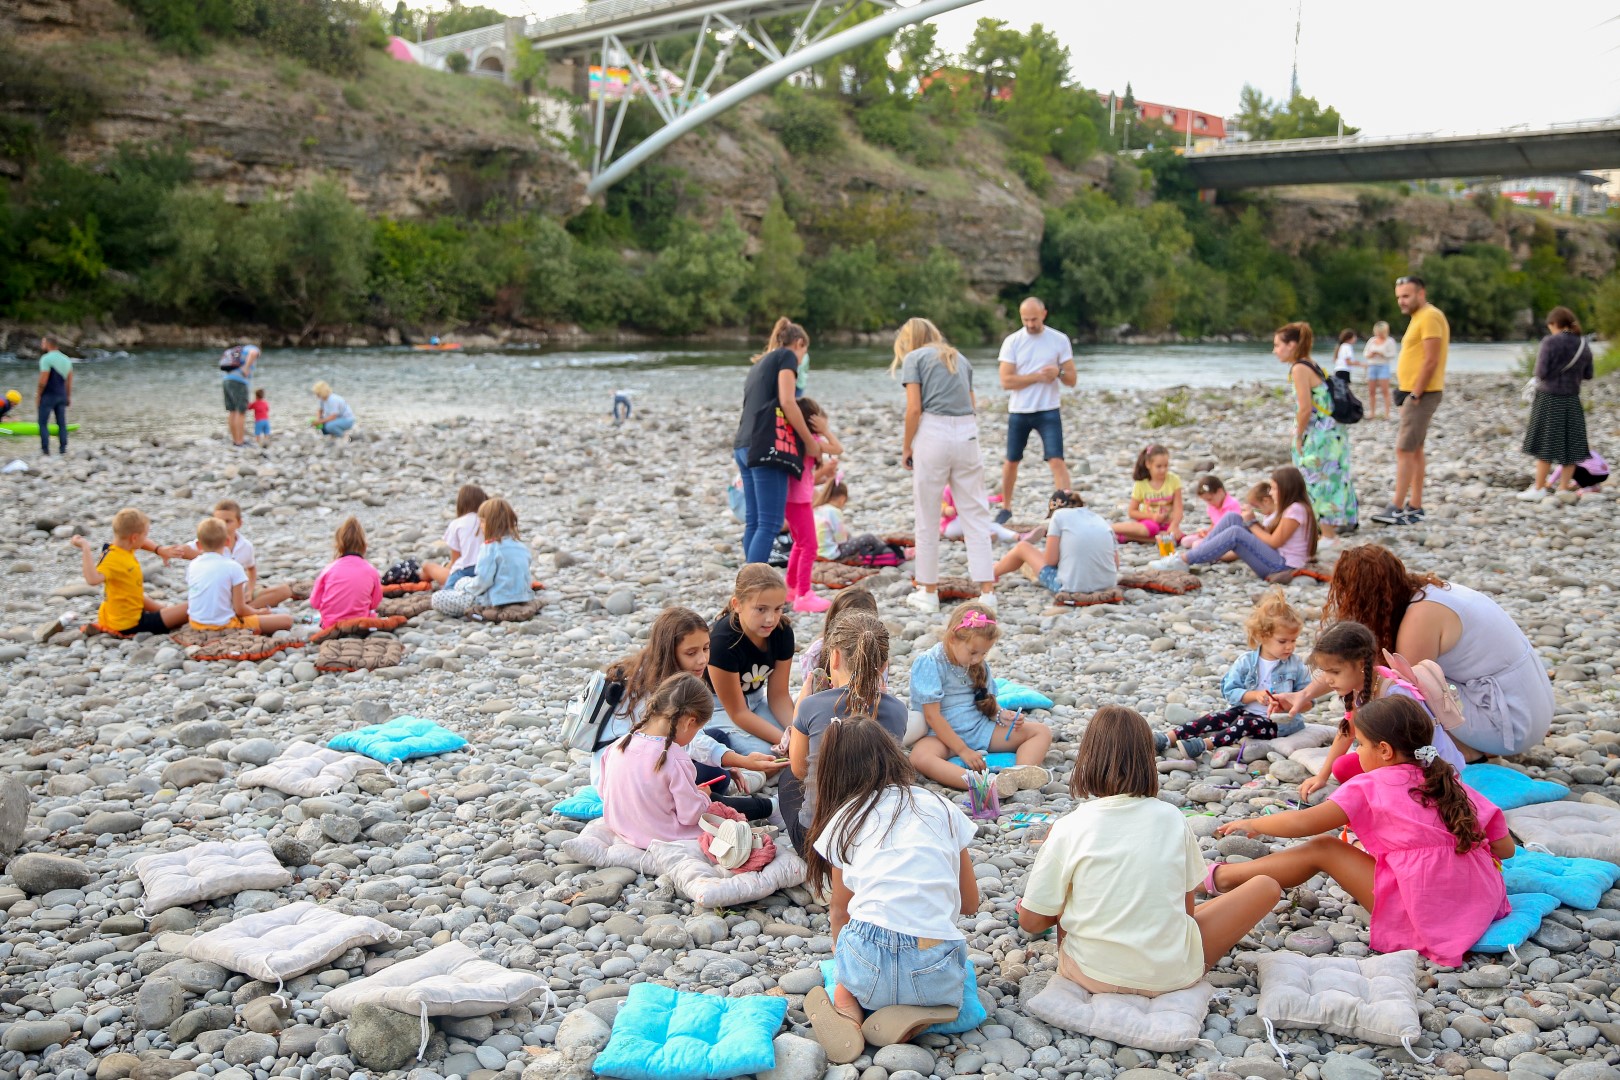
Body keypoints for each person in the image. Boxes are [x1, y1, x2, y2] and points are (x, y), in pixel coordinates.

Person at [1213, 696, 1513, 969]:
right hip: (1481, 899)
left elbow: (1304, 823)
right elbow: (1505, 849)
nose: (1356, 753)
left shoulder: (1369, 785)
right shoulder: (1450, 781)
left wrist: (1255, 824)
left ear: (1384, 750)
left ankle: (1221, 877)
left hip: (1421, 908)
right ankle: (1223, 878)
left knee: (1323, 848)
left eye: (1360, 745)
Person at [1018, 705, 1280, 997]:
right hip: (1170, 977)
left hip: (1088, 975)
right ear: (1148, 760)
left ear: (1086, 759)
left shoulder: (1069, 827)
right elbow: (1185, 911)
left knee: (1064, 892)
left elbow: (1031, 922)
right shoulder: (1172, 818)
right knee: (1266, 886)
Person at [801, 719, 978, 1064]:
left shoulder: (844, 819)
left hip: (869, 959)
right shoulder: (941, 807)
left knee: (847, 969)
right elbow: (970, 903)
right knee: (946, 960)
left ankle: (848, 1007)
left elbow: (841, 912)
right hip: (932, 960)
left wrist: (844, 960)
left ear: (833, 775)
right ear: (894, 755)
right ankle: (915, 1017)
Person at [1275, 544, 1554, 759]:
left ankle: (1467, 751)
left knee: (1401, 695)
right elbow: (1355, 663)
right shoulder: (1428, 593)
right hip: (1527, 705)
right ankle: (1471, 743)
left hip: (1509, 724)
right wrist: (1305, 694)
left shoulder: (1420, 619)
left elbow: (1382, 680)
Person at [593, 607, 784, 796]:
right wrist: (739, 761)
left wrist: (728, 760)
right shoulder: (660, 688)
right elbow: (689, 743)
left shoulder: (662, 671)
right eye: (691, 653)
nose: (702, 660)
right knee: (717, 773)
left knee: (719, 737)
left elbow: (688, 738)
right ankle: (748, 801)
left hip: (651, 757)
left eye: (706, 648)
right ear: (669, 652)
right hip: (626, 782)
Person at [1294, 620, 1467, 799]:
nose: (1328, 680)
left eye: (1335, 672)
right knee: (1342, 767)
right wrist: (1322, 776)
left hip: (1431, 768)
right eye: (1325, 672)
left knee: (1370, 779)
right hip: (1392, 758)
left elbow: (1414, 749)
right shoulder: (1360, 688)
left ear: (1361, 665)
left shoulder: (1396, 694)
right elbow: (1347, 731)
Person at [784, 611, 909, 854]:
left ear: (835, 657)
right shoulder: (897, 710)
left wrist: (800, 706)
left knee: (788, 779)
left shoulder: (813, 705)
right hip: (875, 838)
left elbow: (799, 769)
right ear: (884, 665)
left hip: (817, 844)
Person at [894, 317, 996, 614]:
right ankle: (987, 592)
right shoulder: (959, 358)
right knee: (976, 512)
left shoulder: (914, 358)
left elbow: (914, 408)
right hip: (967, 432)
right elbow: (972, 403)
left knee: (927, 514)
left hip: (934, 431)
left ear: (910, 339)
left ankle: (928, 591)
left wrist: (907, 446)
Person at [908, 601, 1052, 797]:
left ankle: (1018, 776)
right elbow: (933, 717)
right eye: (973, 652)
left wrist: (1002, 715)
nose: (977, 659)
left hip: (979, 729)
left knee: (1041, 732)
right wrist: (963, 750)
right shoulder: (930, 662)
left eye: (983, 653)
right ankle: (983, 784)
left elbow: (985, 700)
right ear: (952, 638)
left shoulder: (978, 665)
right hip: (941, 737)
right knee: (919, 757)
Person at [1154, 589, 1310, 767]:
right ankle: (1168, 738)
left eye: (1294, 640)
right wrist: (1255, 695)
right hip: (1244, 710)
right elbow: (1229, 690)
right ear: (1262, 637)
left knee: (1244, 723)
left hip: (1277, 724)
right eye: (1283, 641)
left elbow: (1308, 700)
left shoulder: (1296, 665)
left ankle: (1204, 745)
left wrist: (1290, 704)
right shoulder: (1246, 661)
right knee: (1214, 717)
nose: (1290, 647)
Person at [598, 673, 718, 849]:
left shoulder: (617, 746)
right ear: (690, 722)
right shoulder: (675, 758)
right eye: (697, 729)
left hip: (622, 828)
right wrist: (703, 797)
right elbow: (690, 816)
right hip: (664, 837)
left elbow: (603, 793)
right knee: (725, 821)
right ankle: (769, 807)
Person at [735, 318, 820, 564]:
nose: (803, 359)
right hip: (766, 447)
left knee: (755, 521)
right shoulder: (787, 358)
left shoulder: (760, 364)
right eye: (805, 352)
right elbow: (787, 400)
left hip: (743, 445)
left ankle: (746, 585)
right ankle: (752, 589)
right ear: (800, 343)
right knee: (770, 522)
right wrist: (810, 441)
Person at [1152, 465, 1317, 582]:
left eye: (1274, 488)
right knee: (1233, 518)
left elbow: (1275, 541)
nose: (1271, 493)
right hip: (1277, 558)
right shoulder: (1293, 508)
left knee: (1236, 533)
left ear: (1286, 489)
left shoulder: (1296, 510)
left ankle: (1183, 560)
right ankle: (1199, 553)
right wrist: (1251, 522)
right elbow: (1272, 537)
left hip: (1284, 566)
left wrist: (1252, 523)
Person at [1372, 276, 1449, 526]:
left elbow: (1431, 359)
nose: (1401, 301)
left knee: (1404, 448)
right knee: (1414, 449)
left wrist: (1415, 392)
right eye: (1398, 297)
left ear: (1421, 293)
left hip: (1422, 394)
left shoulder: (1430, 317)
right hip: (1414, 392)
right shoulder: (1420, 318)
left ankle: (1396, 507)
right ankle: (1414, 505)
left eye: (1406, 296)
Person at [997, 297, 1076, 523]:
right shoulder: (1012, 341)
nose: (1030, 324)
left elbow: (1072, 379)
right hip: (1019, 410)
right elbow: (1006, 381)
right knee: (1011, 460)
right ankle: (1006, 507)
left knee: (1056, 460)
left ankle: (1064, 507)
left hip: (1048, 410)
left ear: (1044, 314)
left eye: (1034, 319)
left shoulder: (1059, 340)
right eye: (1025, 320)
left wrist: (1058, 373)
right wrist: (1038, 377)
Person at [1277, 322, 1358, 536]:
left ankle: (1328, 535)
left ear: (1292, 345)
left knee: (1316, 478)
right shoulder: (1312, 364)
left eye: (1278, 345)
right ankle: (1327, 529)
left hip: (1319, 434)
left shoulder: (1299, 368)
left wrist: (1298, 436)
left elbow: (1304, 408)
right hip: (1333, 432)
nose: (1275, 351)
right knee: (1332, 477)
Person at [706, 564, 795, 756]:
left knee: (803, 736)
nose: (771, 619)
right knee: (769, 753)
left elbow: (779, 695)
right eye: (761, 609)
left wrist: (795, 733)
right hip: (718, 706)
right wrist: (785, 740)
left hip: (757, 698)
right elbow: (738, 712)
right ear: (737, 604)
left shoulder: (782, 632)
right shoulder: (722, 642)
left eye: (778, 609)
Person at [1517, 306, 1595, 501]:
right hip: (1572, 398)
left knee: (1546, 443)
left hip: (1549, 398)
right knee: (1571, 444)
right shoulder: (1582, 344)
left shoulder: (1550, 342)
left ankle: (1539, 487)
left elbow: (1541, 372)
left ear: (1554, 324)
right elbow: (1589, 374)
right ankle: (1562, 489)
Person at [69, 509, 187, 635]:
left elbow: (140, 543)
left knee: (173, 609)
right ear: (134, 537)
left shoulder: (123, 548)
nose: (146, 539)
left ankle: (164, 611)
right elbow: (92, 580)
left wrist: (159, 550)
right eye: (145, 535)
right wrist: (85, 548)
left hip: (130, 609)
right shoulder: (112, 559)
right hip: (130, 624)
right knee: (194, 608)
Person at [159, 499, 293, 608]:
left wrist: (250, 590)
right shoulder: (206, 542)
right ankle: (244, 612)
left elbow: (251, 569)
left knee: (284, 591)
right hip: (217, 595)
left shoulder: (245, 546)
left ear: (239, 523)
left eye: (228, 521)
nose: (223, 526)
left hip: (240, 592)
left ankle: (243, 610)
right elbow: (184, 549)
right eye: (219, 522)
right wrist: (165, 551)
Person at [992, 490, 1117, 596]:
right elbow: (1115, 564)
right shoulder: (1100, 520)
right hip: (1107, 584)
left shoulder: (1059, 516)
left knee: (1022, 547)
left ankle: (992, 572)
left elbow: (1050, 561)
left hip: (1071, 587)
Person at [184, 516, 294, 634]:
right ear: (227, 541)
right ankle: (309, 620)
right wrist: (259, 613)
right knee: (287, 620)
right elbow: (240, 609)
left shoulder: (193, 565)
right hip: (223, 624)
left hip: (195, 622)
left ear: (199, 545)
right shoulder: (233, 566)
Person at [786, 397, 842, 614]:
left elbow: (808, 478)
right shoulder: (809, 440)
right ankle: (803, 594)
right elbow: (838, 448)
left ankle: (791, 589)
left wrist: (825, 472)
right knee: (809, 546)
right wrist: (826, 430)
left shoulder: (795, 441)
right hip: (799, 501)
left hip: (793, 499)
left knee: (799, 543)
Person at [433, 498, 532, 615]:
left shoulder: (490, 547)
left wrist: (465, 588)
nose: (480, 526)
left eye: (482, 521)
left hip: (494, 600)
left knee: (439, 597)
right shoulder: (521, 546)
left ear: (492, 523)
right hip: (522, 597)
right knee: (464, 581)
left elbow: (483, 582)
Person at [309, 516, 381, 628]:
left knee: (316, 618)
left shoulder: (329, 569)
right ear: (364, 546)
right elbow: (375, 603)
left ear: (338, 545)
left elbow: (315, 603)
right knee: (373, 615)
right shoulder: (371, 570)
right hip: (359, 624)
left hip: (331, 625)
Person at [1111, 444, 1183, 545]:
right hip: (1148, 524)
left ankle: (1128, 537)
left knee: (1176, 538)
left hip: (1168, 524)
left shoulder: (1174, 480)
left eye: (1166, 466)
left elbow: (1178, 509)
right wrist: (1152, 516)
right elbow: (1132, 512)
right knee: (1152, 529)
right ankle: (1109, 528)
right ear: (1148, 464)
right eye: (1159, 466)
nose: (1163, 470)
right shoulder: (1141, 484)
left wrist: (1174, 525)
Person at [420, 484, 489, 589]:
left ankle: (418, 580)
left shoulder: (458, 523)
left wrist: (445, 569)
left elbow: (455, 560)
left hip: (465, 573)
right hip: (487, 571)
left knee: (427, 567)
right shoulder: (488, 522)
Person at [1180, 475, 1244, 550]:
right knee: (1185, 541)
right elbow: (1214, 524)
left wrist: (1211, 535)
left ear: (1220, 491)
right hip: (1214, 535)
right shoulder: (1212, 507)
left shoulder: (1232, 505)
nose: (1209, 503)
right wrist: (1206, 531)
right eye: (1206, 500)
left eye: (1210, 499)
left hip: (1226, 537)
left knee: (1196, 545)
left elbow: (1235, 528)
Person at [35, 335, 72, 457]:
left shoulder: (46, 359)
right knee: (61, 423)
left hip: (49, 395)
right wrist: (68, 396)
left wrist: (38, 395)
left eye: (43, 342)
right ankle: (63, 449)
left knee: (43, 422)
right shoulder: (67, 359)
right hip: (61, 395)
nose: (42, 344)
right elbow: (69, 381)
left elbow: (43, 381)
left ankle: (45, 450)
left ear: (48, 344)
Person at [942, 486, 1019, 543]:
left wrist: (997, 499)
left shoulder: (967, 489)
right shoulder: (947, 490)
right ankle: (979, 536)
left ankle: (1014, 536)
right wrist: (945, 510)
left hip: (965, 524)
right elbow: (936, 509)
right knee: (979, 523)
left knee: (990, 525)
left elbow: (980, 499)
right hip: (949, 526)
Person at [221, 344, 260, 447]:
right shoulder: (253, 348)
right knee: (241, 411)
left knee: (232, 411)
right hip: (239, 382)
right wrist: (246, 368)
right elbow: (254, 353)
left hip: (226, 380)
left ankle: (235, 440)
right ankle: (240, 441)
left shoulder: (238, 351)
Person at [1362, 321, 1397, 420]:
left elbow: (1392, 354)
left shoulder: (1390, 341)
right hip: (1372, 366)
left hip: (1383, 366)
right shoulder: (1372, 340)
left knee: (1385, 390)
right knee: (1371, 391)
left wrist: (1383, 354)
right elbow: (1365, 353)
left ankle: (1387, 413)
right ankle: (1372, 412)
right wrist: (1371, 355)